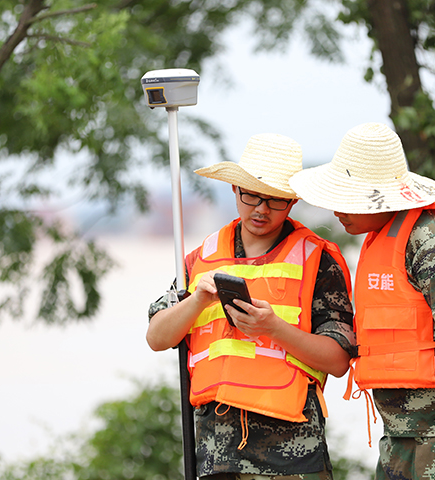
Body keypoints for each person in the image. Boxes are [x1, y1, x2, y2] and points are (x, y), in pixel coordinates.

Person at [289, 122, 435, 480]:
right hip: (402, 443)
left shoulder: (430, 240)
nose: (336, 211)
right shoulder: (384, 237)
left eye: (346, 199)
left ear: (378, 197)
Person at [146, 133, 356, 480]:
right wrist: (197, 299)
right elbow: (157, 337)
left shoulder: (317, 260)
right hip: (216, 454)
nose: (261, 208)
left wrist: (273, 328)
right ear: (235, 190)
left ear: (291, 201)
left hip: (294, 455)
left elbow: (338, 361)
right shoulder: (201, 259)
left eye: (274, 200)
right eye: (252, 195)